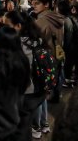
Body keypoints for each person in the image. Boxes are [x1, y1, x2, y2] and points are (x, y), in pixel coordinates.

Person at [4, 11, 48, 140]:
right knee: (25, 126)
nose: (4, 28)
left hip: (23, 92)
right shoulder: (36, 40)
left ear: (18, 26)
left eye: (7, 25)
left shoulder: (18, 46)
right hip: (38, 89)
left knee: (20, 129)